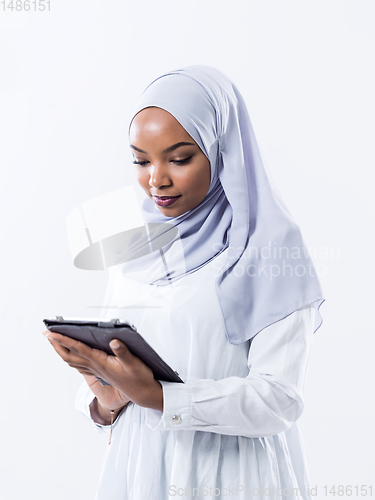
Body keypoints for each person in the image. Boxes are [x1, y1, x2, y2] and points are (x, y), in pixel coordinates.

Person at [44, 65, 324, 499]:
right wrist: (107, 398)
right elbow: (124, 367)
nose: (156, 179)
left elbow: (279, 400)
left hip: (232, 476)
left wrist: (160, 397)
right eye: (140, 160)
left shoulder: (271, 247)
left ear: (222, 149)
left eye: (179, 158)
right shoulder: (136, 242)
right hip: (141, 470)